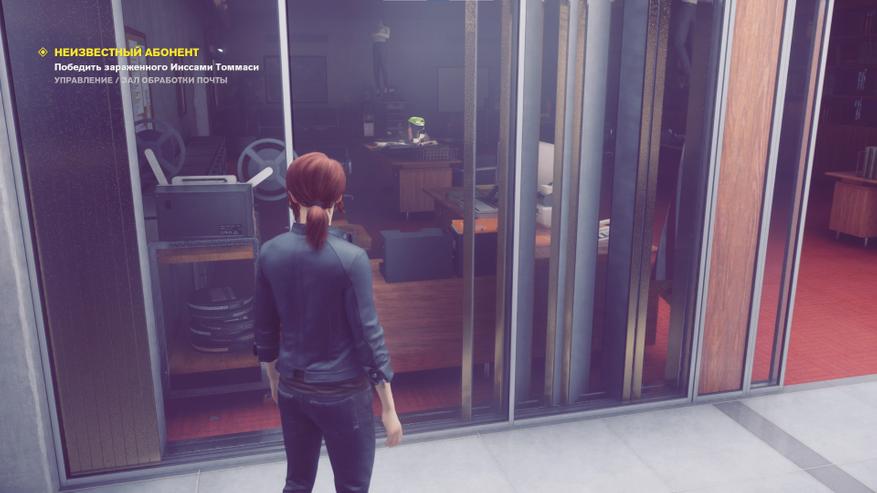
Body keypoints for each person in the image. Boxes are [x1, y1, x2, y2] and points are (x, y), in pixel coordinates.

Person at [254, 152, 403, 493]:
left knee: (297, 483)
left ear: (291, 196)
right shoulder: (351, 258)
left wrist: (275, 380)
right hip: (344, 396)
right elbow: (368, 337)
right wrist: (389, 407)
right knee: (352, 487)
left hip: (293, 391)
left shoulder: (270, 253)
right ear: (339, 198)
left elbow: (264, 328)